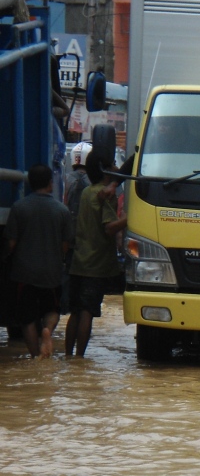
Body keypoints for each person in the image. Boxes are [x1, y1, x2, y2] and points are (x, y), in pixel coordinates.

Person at [2, 163, 74, 357]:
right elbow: (65, 245)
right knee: (52, 310)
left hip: (24, 274)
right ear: (50, 184)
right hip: (51, 273)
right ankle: (47, 331)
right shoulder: (61, 210)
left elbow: (11, 244)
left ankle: (35, 356)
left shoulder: (19, 208)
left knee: (27, 319)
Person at [65, 152, 127, 357]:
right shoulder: (105, 195)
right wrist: (130, 219)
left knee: (75, 311)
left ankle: (68, 357)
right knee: (87, 312)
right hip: (96, 265)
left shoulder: (86, 192)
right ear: (105, 170)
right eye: (113, 165)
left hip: (79, 262)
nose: (117, 169)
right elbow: (109, 228)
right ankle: (79, 359)